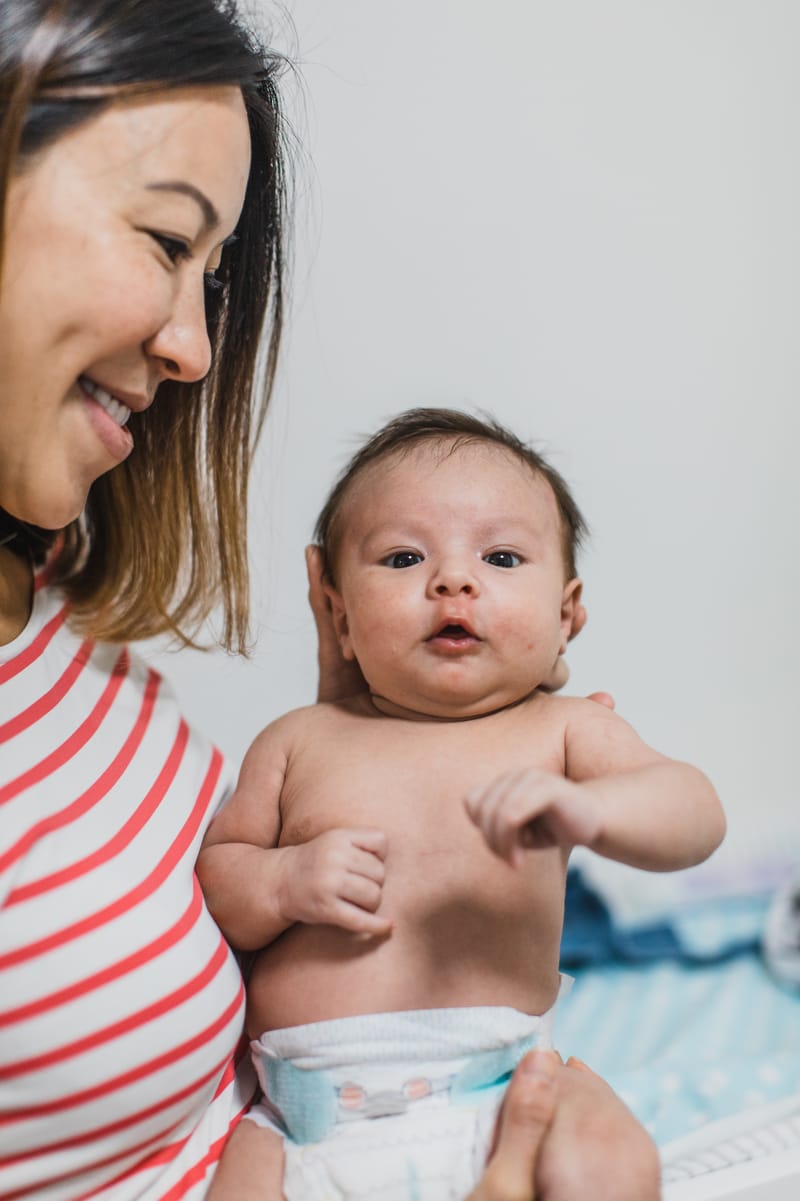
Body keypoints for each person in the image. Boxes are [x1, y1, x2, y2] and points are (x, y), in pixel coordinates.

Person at [0, 4, 660, 1199]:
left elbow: (675, 811)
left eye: (216, 275)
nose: (196, 347)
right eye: (162, 239)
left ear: (571, 609)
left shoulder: (43, 596)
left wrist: (362, 715)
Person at [198, 408, 725, 1200]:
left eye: (502, 555)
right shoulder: (300, 738)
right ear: (339, 616)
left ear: (565, 616)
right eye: (405, 556)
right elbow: (221, 874)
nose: (452, 579)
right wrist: (282, 880)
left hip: (505, 1088)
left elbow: (694, 811)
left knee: (611, 1160)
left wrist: (593, 809)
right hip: (302, 1121)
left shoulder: (562, 731)